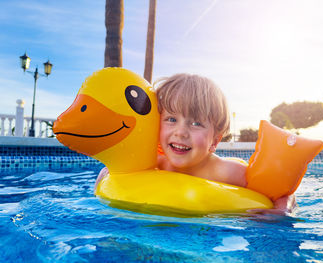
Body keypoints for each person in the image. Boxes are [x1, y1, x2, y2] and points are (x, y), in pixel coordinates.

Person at [96, 73, 296, 215]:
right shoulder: (154, 161)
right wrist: (107, 175)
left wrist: (282, 210)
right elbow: (117, 171)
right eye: (171, 119)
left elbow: (280, 192)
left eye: (196, 123)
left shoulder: (227, 172)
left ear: (215, 140)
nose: (181, 132)